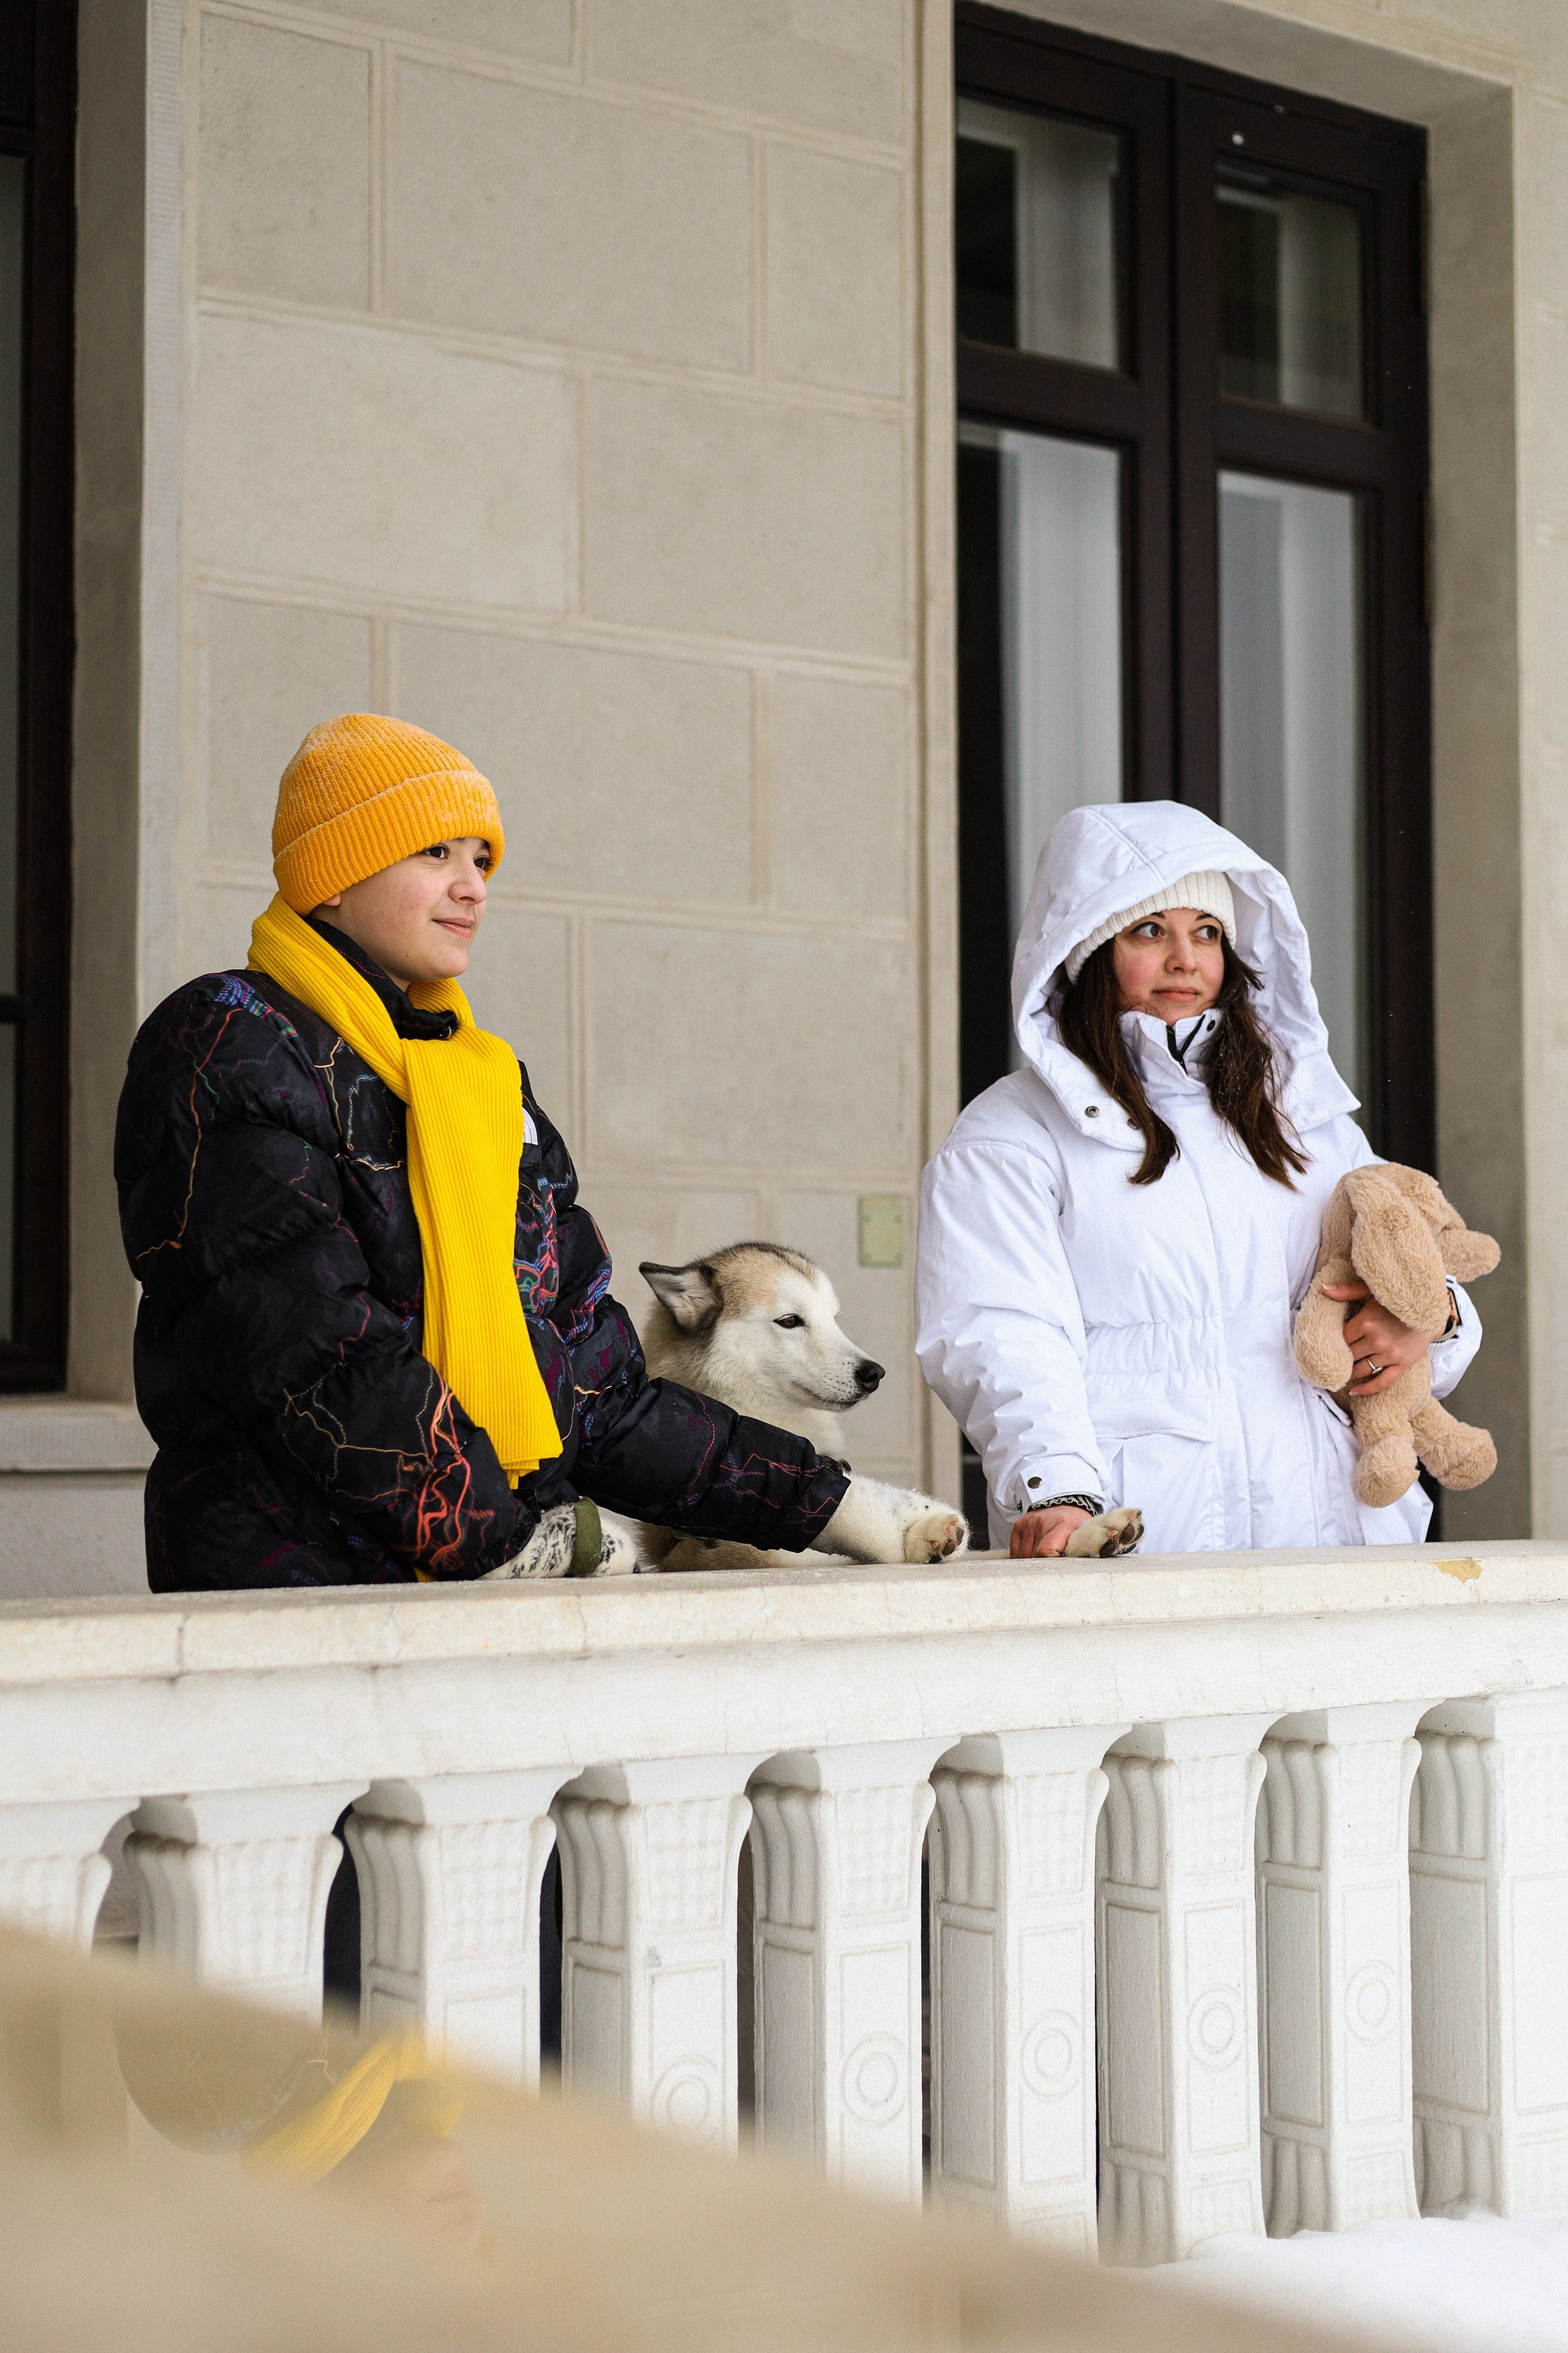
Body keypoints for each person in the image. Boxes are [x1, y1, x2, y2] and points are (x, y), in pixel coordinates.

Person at [115, 714, 851, 1590]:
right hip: (303, 1598)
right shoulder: (230, 1041)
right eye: (435, 853)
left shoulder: (486, 1086)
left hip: (485, 1599)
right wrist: (505, 1540)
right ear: (335, 876)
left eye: (482, 859)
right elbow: (312, 1351)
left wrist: (828, 1505)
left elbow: (591, 1390)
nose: (473, 888)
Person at [914, 801, 1482, 1557]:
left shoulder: (1299, 1115)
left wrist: (1434, 1318)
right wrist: (1057, 1491)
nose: (1186, 959)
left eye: (1206, 932)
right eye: (1149, 930)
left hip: (1339, 1529)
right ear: (1086, 951)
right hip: (1144, 1530)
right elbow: (999, 1329)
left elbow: (1398, 1246)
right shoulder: (1012, 1132)